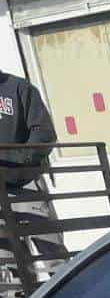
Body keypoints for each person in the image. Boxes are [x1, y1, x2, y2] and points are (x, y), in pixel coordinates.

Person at [0, 69, 66, 269]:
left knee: (53, 254)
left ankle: (69, 294)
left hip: (26, 184)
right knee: (9, 260)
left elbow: (44, 133)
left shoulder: (19, 88)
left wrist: (18, 159)